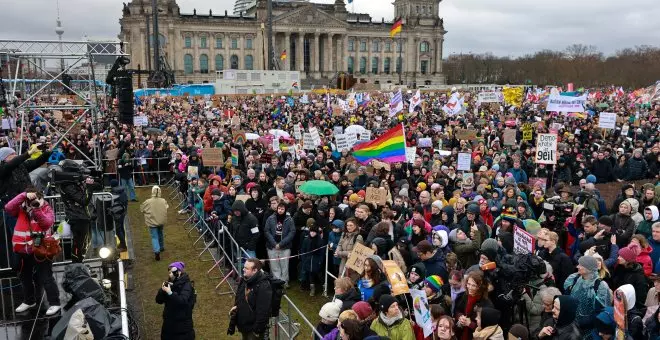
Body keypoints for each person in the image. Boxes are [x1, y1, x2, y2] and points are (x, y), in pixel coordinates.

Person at [5, 188, 61, 316]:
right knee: (25, 277)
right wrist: (23, 195)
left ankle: (55, 303)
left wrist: (36, 209)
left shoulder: (46, 208)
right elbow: (8, 208)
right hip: (22, 250)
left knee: (46, 277)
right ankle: (29, 301)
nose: (31, 202)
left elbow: (47, 223)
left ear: (40, 198)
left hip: (39, 249)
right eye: (28, 200)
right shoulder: (21, 209)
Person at [564, 255, 612, 337]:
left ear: (589, 268)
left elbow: (601, 311)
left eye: (581, 265)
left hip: (589, 330)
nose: (577, 266)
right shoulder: (575, 279)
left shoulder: (600, 285)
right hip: (572, 327)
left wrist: (583, 322)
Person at [231, 258, 272, 340]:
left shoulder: (263, 286)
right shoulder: (244, 279)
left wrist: (256, 330)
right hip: (244, 326)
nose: (243, 269)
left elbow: (263, 311)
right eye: (244, 267)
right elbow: (239, 297)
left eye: (246, 268)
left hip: (253, 330)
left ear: (254, 270)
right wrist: (236, 307)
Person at [155, 262, 195, 340]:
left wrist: (170, 293)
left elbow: (182, 301)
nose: (169, 274)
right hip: (169, 326)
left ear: (178, 272)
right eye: (169, 272)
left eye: (171, 272)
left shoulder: (187, 285)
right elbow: (158, 300)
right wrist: (162, 290)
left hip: (182, 327)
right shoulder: (171, 283)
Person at [454, 270, 494, 340]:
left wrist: (470, 324)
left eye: (474, 285)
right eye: (468, 284)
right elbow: (457, 309)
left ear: (481, 287)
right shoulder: (464, 296)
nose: (470, 287)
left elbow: (488, 330)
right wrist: (460, 317)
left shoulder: (487, 304)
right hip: (461, 334)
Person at [264, 201, 295, 287]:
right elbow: (267, 231)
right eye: (279, 208)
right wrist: (274, 244)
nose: (280, 210)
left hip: (285, 247)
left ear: (285, 209)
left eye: (282, 209)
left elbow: (292, 232)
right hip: (272, 246)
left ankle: (284, 281)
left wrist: (281, 244)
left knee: (284, 265)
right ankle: (277, 281)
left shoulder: (289, 219)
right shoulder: (270, 218)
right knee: (274, 265)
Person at [141, 186, 169, 261]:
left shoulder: (148, 201)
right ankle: (161, 247)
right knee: (160, 233)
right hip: (161, 221)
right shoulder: (163, 200)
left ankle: (157, 251)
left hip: (152, 221)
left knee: (154, 237)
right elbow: (166, 207)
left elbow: (142, 209)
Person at [110, 179, 128, 250]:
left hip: (117, 212)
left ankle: (123, 245)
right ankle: (122, 243)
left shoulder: (113, 192)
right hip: (123, 211)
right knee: (121, 227)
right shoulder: (123, 191)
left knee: (118, 229)